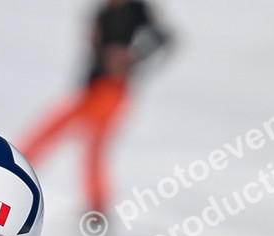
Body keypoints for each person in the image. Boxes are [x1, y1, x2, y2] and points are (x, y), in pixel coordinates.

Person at [20, 0, 171, 217]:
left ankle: (97, 207)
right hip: (91, 88)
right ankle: (15, 168)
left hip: (113, 90)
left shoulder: (137, 10)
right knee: (55, 131)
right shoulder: (103, 12)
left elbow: (164, 38)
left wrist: (134, 57)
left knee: (91, 145)